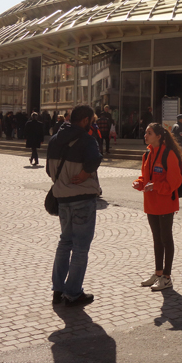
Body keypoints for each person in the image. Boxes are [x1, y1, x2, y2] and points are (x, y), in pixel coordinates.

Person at [47, 104, 103, 307]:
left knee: (65, 243)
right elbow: (95, 160)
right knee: (80, 247)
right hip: (82, 198)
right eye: (93, 120)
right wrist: (85, 174)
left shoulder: (54, 139)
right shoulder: (87, 140)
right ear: (86, 120)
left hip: (62, 199)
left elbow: (48, 170)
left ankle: (58, 289)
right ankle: (73, 292)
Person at [134, 123, 182, 292]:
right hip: (151, 203)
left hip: (165, 203)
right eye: (146, 132)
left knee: (166, 239)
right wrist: (139, 183)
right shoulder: (147, 154)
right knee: (156, 239)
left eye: (149, 133)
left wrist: (155, 186)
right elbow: (144, 176)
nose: (146, 135)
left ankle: (167, 277)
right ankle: (158, 273)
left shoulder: (169, 154)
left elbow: (175, 181)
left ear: (159, 136)